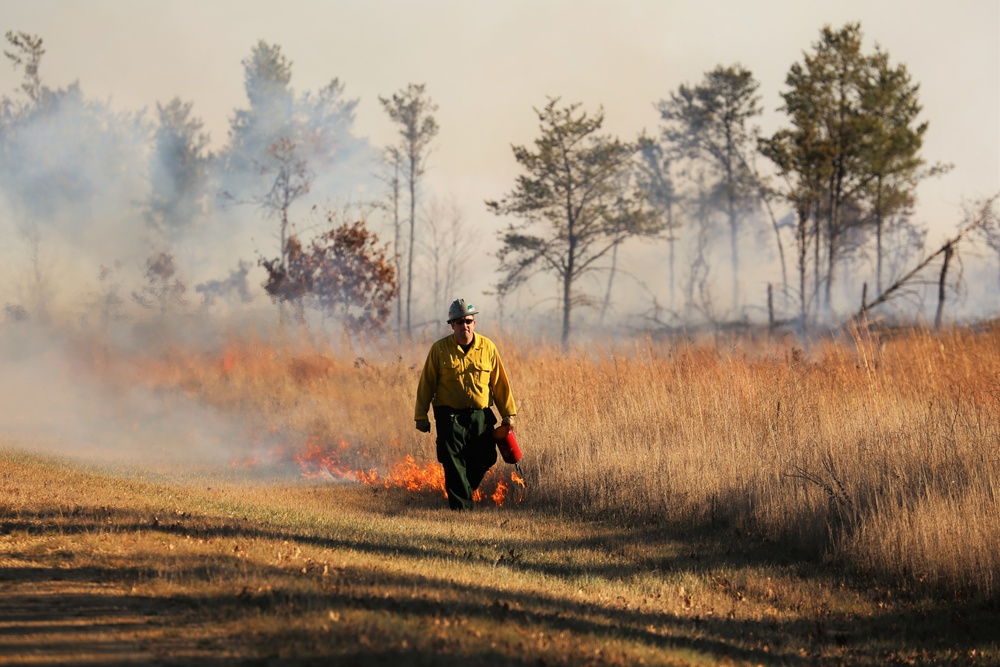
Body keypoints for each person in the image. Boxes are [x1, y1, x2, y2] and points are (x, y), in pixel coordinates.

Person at [414, 298, 517, 510]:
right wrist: (421, 416)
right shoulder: (439, 349)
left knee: (486, 457)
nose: (464, 326)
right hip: (449, 416)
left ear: (474, 323)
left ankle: (463, 494)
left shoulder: (488, 347)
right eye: (459, 322)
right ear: (451, 325)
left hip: (480, 415)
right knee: (453, 461)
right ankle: (462, 509)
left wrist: (508, 413)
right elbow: (426, 384)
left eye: (468, 321)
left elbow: (500, 383)